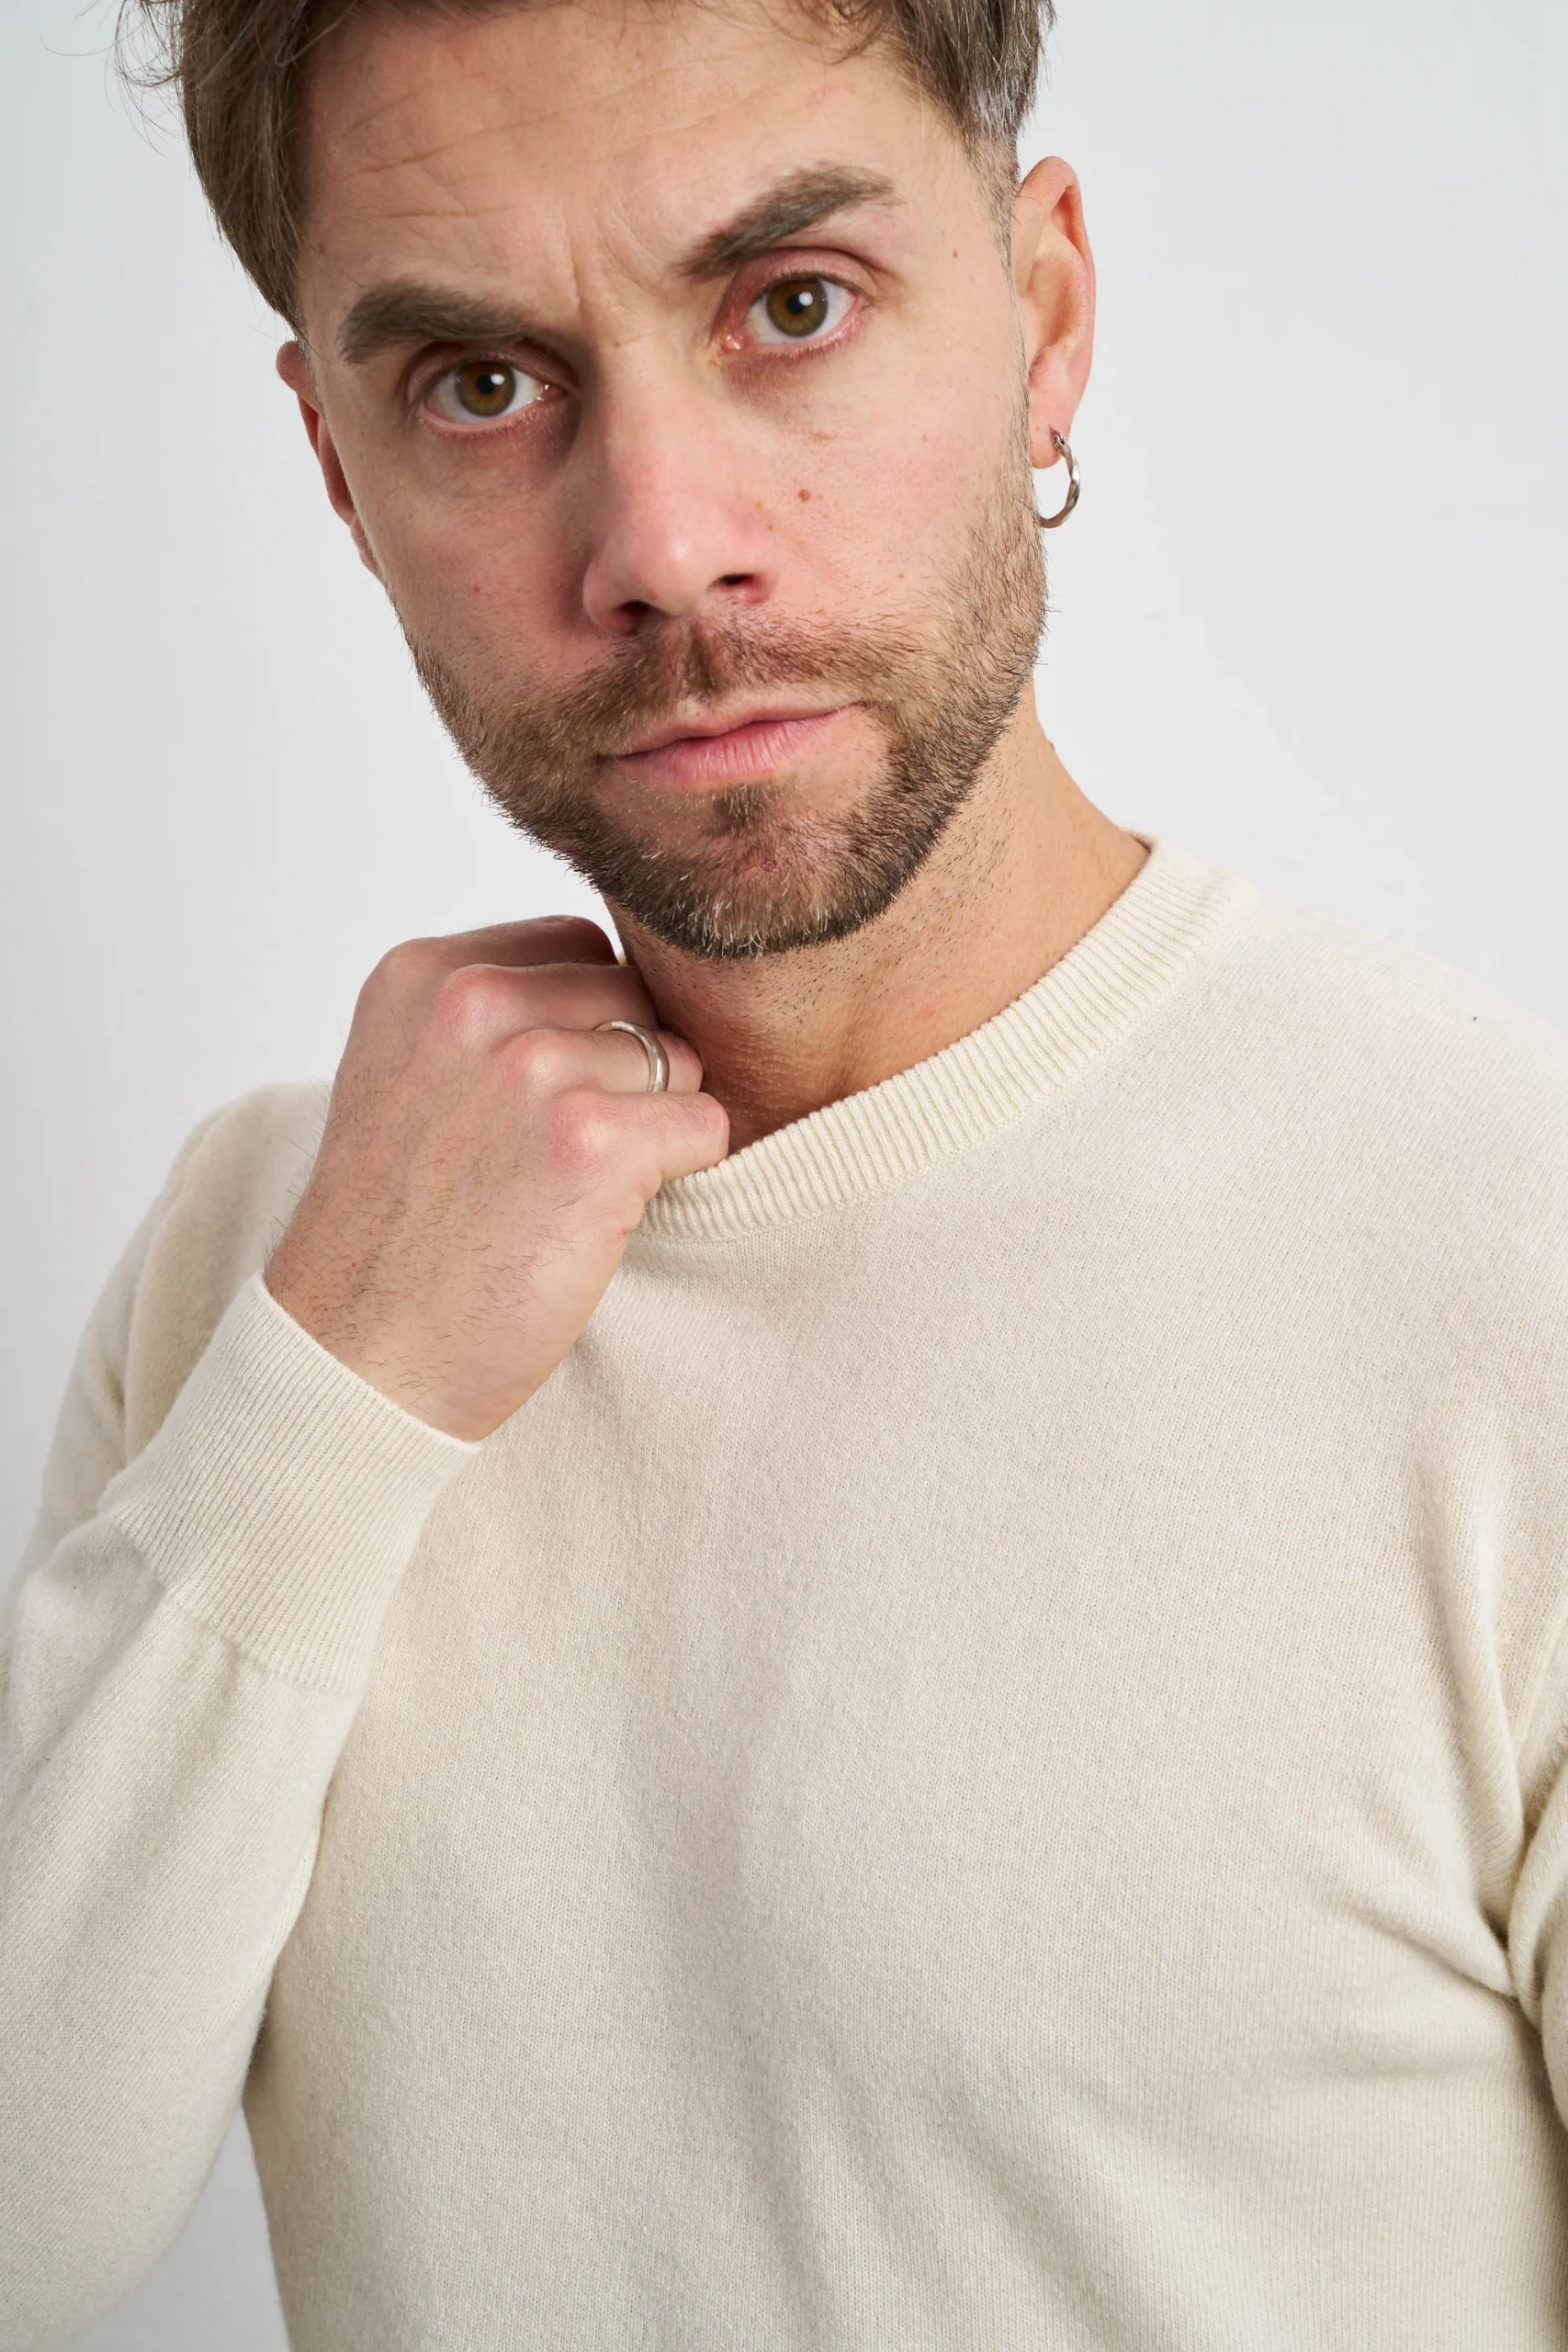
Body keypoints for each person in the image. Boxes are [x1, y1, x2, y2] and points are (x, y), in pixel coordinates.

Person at [4, 0, 1567, 2342]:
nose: (663, 543)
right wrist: (328, 1398)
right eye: (480, 383)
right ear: (340, 467)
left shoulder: (1505, 1265)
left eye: (793, 305)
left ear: (1041, 316)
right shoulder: (282, 1264)